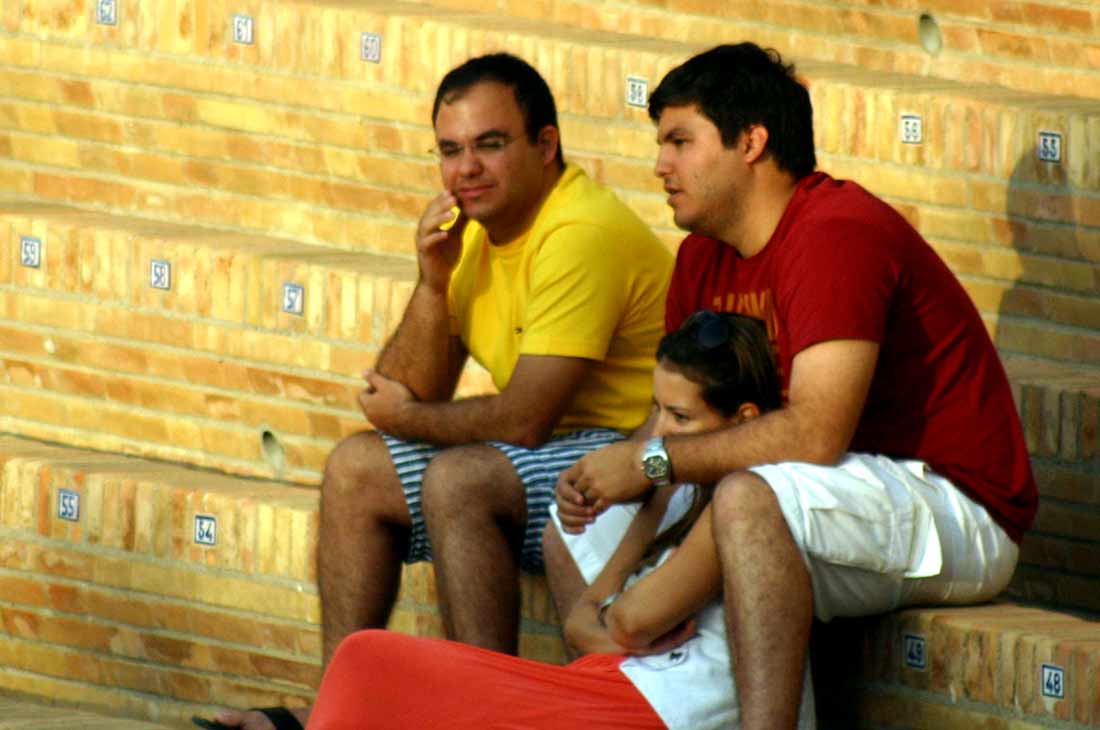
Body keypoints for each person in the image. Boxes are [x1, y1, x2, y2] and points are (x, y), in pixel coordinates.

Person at [551, 43, 1038, 730]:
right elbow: (674, 430)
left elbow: (814, 433)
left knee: (749, 501)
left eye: (681, 142)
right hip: (821, 493)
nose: (660, 165)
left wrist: (650, 460)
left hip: (951, 503)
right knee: (580, 516)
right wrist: (597, 569)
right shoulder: (701, 256)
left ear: (751, 141)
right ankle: (612, 675)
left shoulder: (836, 233)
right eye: (661, 143)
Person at [208, 53, 671, 730]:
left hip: (627, 451)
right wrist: (430, 282)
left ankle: (479, 717)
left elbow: (523, 420)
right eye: (450, 151)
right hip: (550, 452)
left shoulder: (580, 231)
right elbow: (403, 390)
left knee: (463, 479)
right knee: (357, 469)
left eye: (490, 144)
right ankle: (342, 713)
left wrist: (409, 415)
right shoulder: (473, 234)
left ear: (545, 146)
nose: (466, 170)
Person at [303, 311, 815, 730]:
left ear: (744, 420)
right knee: (364, 658)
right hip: (610, 682)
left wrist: (616, 625)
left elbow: (627, 620)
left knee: (371, 666)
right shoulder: (669, 489)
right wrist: (617, 627)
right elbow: (582, 624)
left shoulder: (745, 497)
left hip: (671, 704)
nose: (658, 433)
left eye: (680, 418)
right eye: (656, 409)